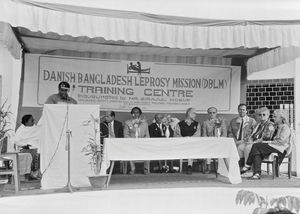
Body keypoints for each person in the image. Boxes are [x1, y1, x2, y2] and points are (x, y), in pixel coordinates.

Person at [244, 109, 291, 179]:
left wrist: (268, 142)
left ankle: (248, 165)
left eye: (275, 117)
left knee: (255, 146)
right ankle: (256, 174)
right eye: (273, 116)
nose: (273, 118)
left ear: (281, 118)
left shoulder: (285, 127)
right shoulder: (276, 126)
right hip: (273, 146)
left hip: (280, 148)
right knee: (257, 152)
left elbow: (280, 141)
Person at [239, 107, 275, 174]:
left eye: (264, 114)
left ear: (268, 115)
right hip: (253, 142)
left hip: (263, 145)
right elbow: (250, 134)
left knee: (248, 148)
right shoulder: (257, 124)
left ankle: (249, 170)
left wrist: (253, 142)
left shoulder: (270, 125)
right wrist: (248, 139)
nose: (262, 116)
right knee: (240, 147)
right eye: (260, 114)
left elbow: (267, 138)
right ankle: (242, 168)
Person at [14, 114, 41, 179]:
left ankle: (35, 173)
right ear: (26, 122)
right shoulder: (21, 130)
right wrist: (24, 145)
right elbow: (16, 141)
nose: (33, 121)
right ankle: (28, 174)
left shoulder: (37, 128)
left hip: (35, 147)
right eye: (31, 120)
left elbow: (40, 138)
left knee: (38, 153)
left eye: (33, 120)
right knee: (29, 155)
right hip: (25, 148)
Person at [175, 107, 201, 175]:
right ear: (189, 113)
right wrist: (184, 139)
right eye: (194, 113)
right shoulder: (179, 124)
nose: (195, 115)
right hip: (182, 144)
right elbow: (176, 135)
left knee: (191, 148)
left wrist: (189, 139)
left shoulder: (197, 124)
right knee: (188, 147)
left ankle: (189, 166)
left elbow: (198, 135)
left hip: (193, 144)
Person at [124, 107, 150, 174]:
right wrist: (133, 141)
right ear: (132, 114)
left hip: (142, 144)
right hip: (131, 144)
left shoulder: (145, 123)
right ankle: (133, 169)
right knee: (129, 150)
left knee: (148, 150)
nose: (135, 114)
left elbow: (147, 135)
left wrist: (143, 141)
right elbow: (126, 135)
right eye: (134, 112)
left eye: (137, 112)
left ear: (140, 114)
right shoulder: (127, 122)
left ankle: (146, 169)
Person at [202, 107, 227, 173]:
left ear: (216, 113)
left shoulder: (221, 122)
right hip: (209, 142)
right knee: (208, 148)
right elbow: (204, 134)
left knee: (223, 148)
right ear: (208, 114)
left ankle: (221, 169)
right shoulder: (205, 123)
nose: (212, 114)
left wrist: (220, 140)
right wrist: (209, 140)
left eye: (213, 112)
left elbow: (224, 133)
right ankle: (208, 166)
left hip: (219, 142)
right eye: (210, 113)